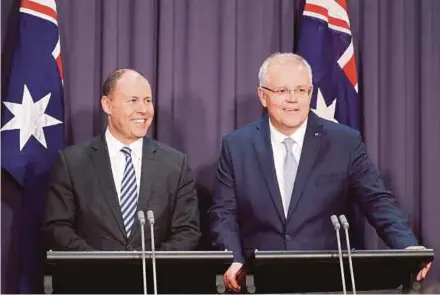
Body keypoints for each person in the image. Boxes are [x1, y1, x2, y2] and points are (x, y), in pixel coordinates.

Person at [209, 53, 431, 291]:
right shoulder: (237, 145)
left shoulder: (343, 142)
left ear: (310, 93)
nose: (293, 99)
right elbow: (224, 212)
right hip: (260, 281)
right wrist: (232, 258)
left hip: (328, 279)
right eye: (282, 91)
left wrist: (406, 246)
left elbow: (377, 200)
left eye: (301, 90)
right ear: (263, 96)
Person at [43, 69, 201, 293]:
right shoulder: (72, 163)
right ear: (107, 105)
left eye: (147, 100)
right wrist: (100, 263)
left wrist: (150, 265)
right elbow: (57, 227)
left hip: (155, 285)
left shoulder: (175, 164)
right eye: (133, 100)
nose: (143, 110)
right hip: (89, 285)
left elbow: (188, 231)